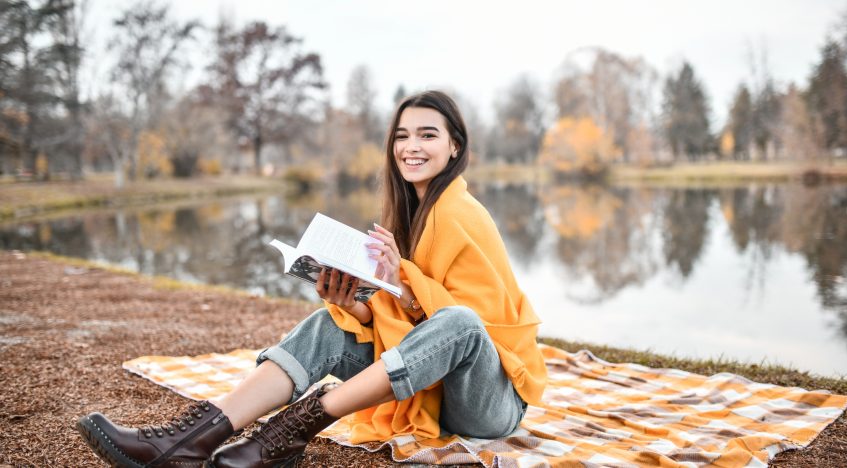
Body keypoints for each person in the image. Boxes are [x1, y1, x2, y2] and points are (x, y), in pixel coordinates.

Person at [77, 90, 548, 468]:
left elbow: (474, 333)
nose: (411, 147)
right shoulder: (409, 215)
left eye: (428, 135)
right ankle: (195, 437)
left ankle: (295, 428)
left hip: (489, 401)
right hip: (431, 386)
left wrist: (401, 284)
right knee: (329, 324)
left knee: (461, 321)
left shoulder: (463, 213)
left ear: (455, 146)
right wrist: (355, 299)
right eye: (402, 136)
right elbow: (404, 325)